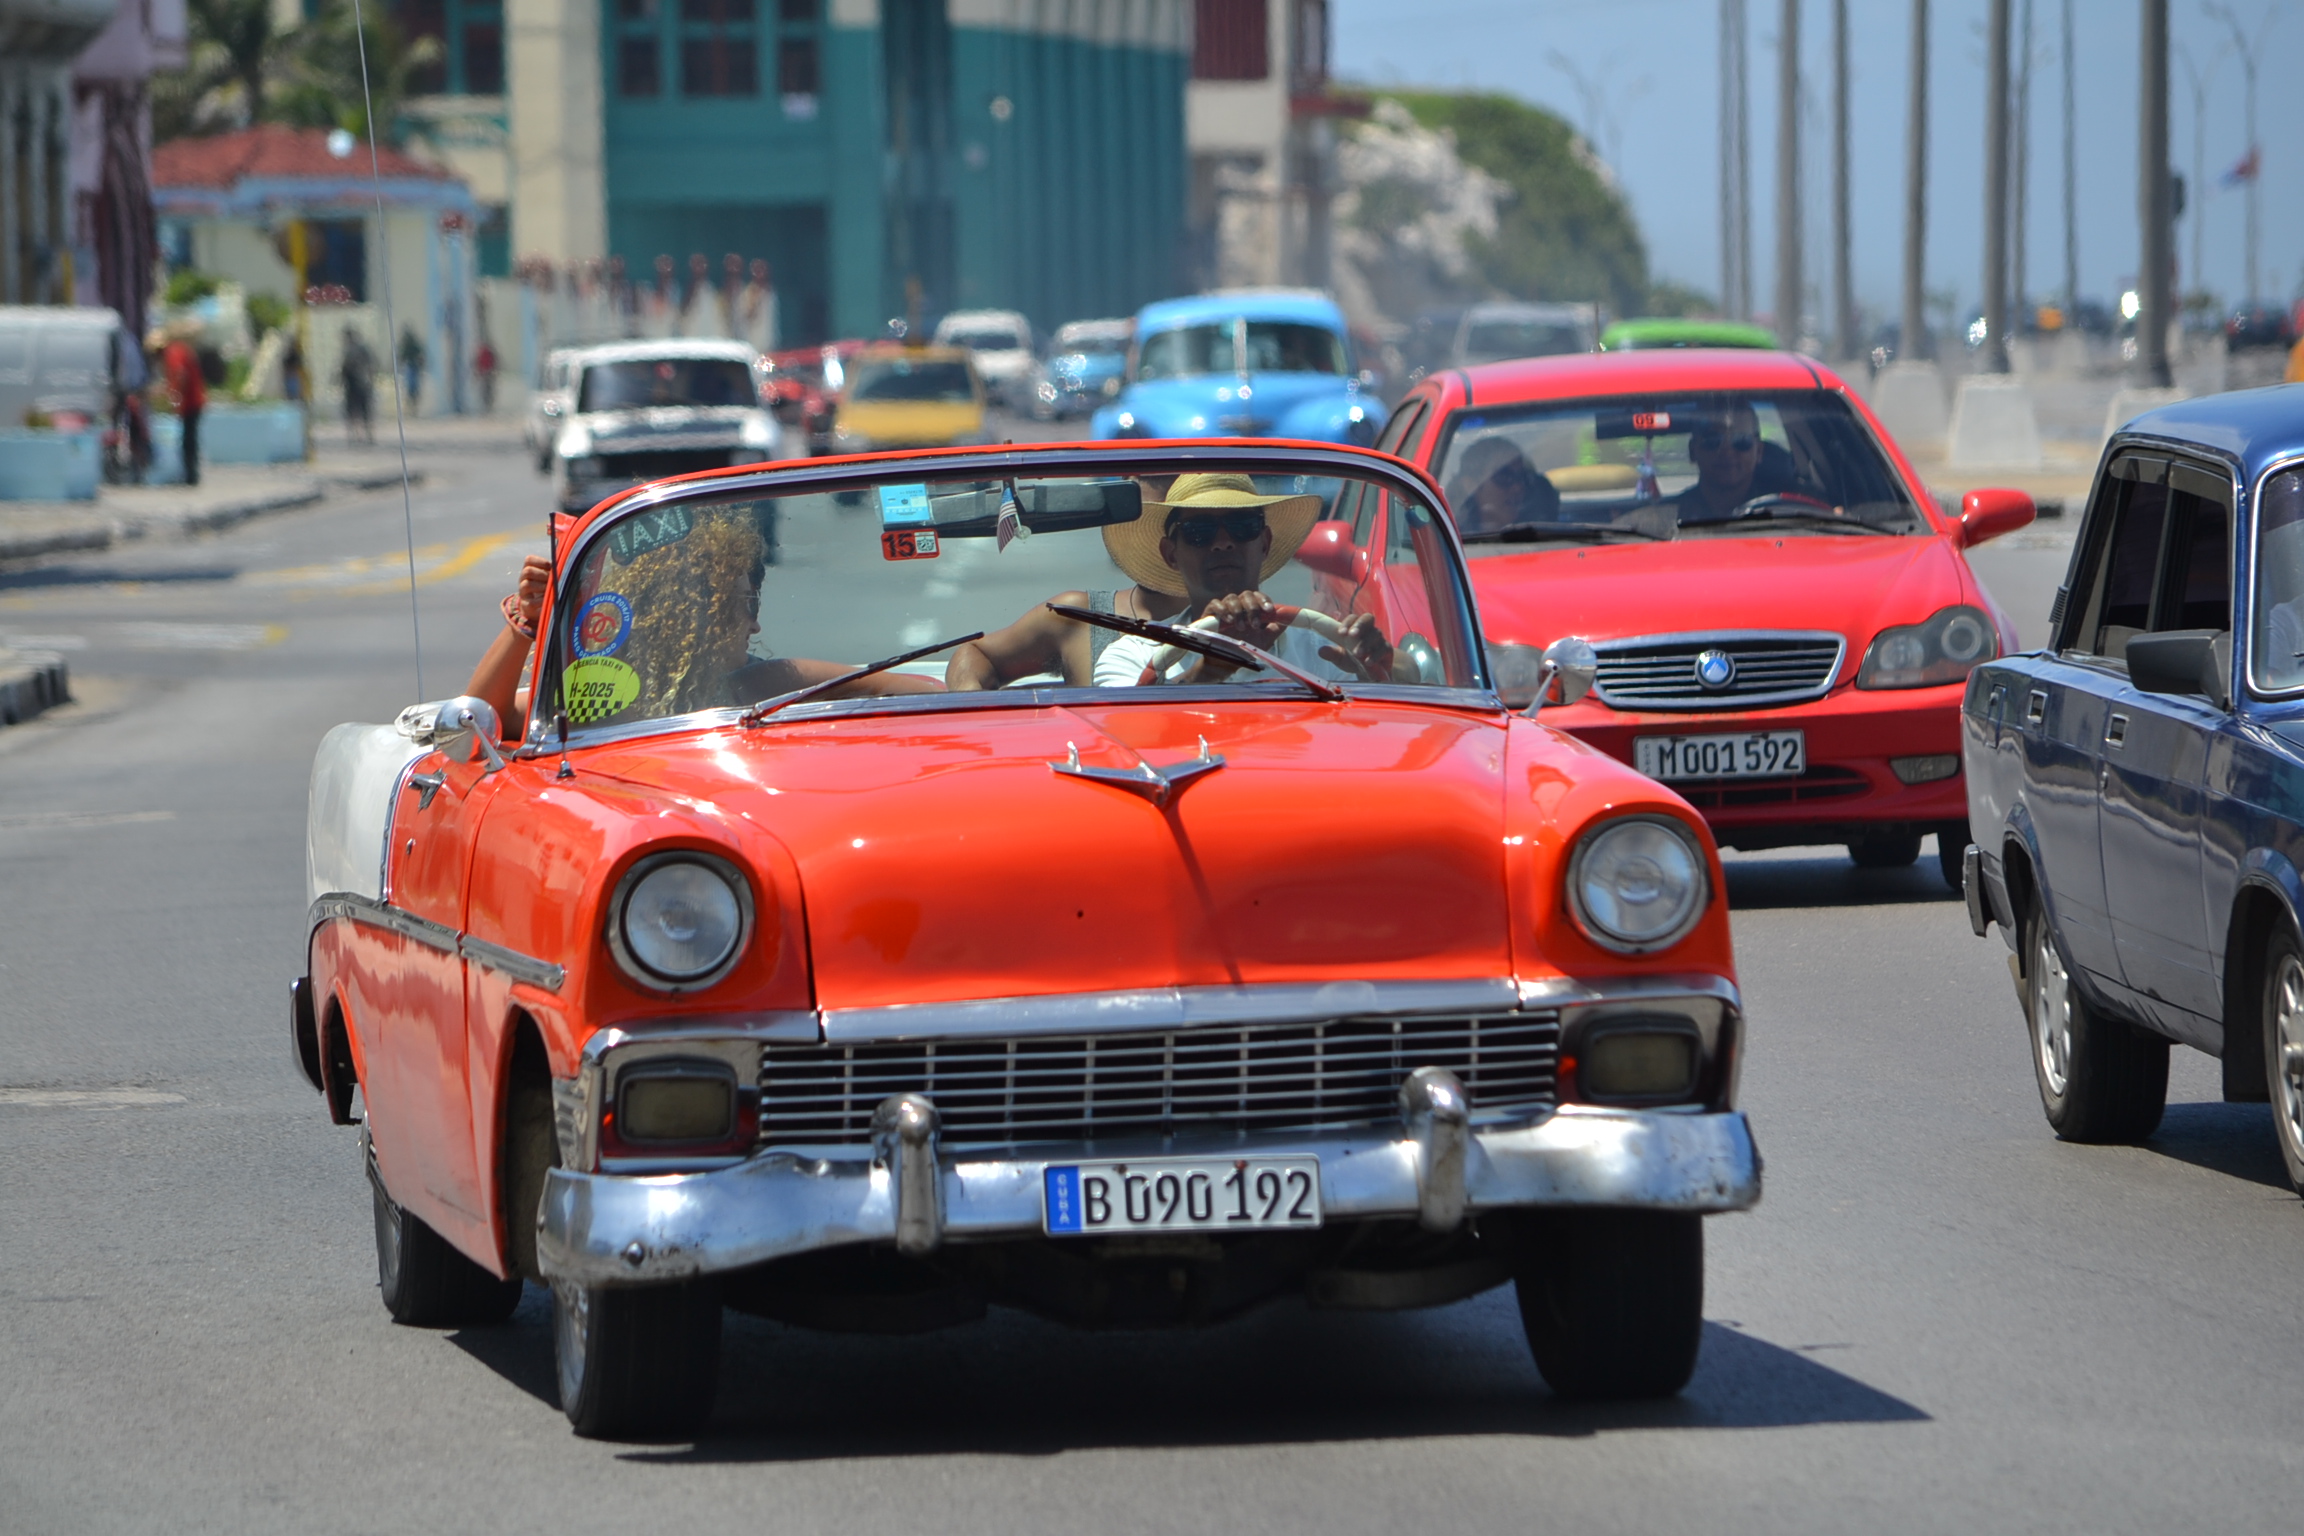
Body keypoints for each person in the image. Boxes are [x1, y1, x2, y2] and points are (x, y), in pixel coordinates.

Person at [471, 518, 938, 740]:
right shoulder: (605, 693)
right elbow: (478, 721)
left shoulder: (764, 682)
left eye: (754, 603)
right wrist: (527, 623)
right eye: (742, 605)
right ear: (686, 617)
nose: (755, 623)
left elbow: (908, 689)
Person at [1086, 472, 1392, 686]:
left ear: (1264, 542)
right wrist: (1212, 668)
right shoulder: (1132, 655)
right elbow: (1133, 733)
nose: (1223, 543)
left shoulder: (1324, 651)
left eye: (1242, 525)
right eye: (1199, 532)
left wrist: (1381, 663)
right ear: (1171, 554)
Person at [1672, 401, 1803, 522]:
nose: (1727, 452)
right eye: (1712, 441)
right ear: (1692, 451)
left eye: (1741, 441)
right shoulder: (1669, 518)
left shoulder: (1792, 512)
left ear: (1759, 451)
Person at [1445, 436, 1562, 534]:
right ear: (1470, 485)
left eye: (1522, 478)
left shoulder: (1550, 535)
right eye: (1504, 477)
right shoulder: (1450, 542)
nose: (1518, 488)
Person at [159, 322, 206, 486]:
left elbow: (180, 374)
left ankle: (190, 475)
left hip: (189, 402)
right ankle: (191, 473)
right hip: (196, 400)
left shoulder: (175, 351)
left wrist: (176, 398)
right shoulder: (185, 350)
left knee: (188, 440)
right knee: (191, 438)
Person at [340, 328, 376, 444]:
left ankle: (361, 435)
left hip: (357, 383)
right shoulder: (359, 349)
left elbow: (345, 368)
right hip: (358, 383)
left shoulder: (352, 350)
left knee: (357, 411)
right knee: (361, 411)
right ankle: (363, 435)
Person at [398, 325, 426, 413]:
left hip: (413, 367)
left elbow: (420, 356)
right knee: (410, 387)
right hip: (410, 367)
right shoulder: (407, 345)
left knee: (413, 387)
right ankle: (412, 405)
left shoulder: (412, 345)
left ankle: (413, 405)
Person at [473, 337, 497, 414]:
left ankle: (487, 404)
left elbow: (493, 362)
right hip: (486, 374)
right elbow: (477, 363)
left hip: (486, 374)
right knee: (485, 390)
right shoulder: (486, 353)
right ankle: (486, 404)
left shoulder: (486, 353)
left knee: (486, 390)